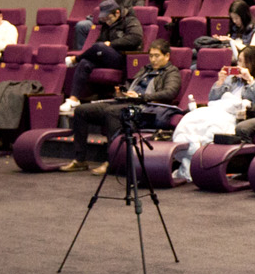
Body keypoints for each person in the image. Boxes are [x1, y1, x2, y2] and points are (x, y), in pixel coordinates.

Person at [61, 39, 183, 174]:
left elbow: (169, 93)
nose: (153, 60)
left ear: (167, 56)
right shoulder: (145, 69)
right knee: (81, 110)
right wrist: (122, 91)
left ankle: (112, 161)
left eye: (157, 56)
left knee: (112, 113)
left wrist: (140, 97)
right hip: (127, 103)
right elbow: (131, 85)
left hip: (146, 109)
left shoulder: (172, 72)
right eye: (151, 56)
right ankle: (80, 159)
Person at [169, 47, 255, 181]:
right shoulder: (232, 77)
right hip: (218, 107)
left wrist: (250, 80)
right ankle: (187, 149)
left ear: (251, 62)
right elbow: (213, 99)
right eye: (237, 62)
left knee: (212, 126)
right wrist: (220, 82)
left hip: (238, 112)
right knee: (191, 120)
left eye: (241, 62)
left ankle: (201, 160)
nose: (238, 66)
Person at [63, 0, 143, 104]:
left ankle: (76, 59)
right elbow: (99, 44)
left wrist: (111, 44)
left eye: (108, 17)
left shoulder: (130, 20)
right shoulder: (106, 25)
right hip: (106, 56)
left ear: (117, 13)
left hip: (123, 59)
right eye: (104, 18)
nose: (106, 20)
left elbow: (135, 38)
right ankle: (73, 99)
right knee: (85, 62)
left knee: (99, 47)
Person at [72, 0, 146, 49]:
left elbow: (137, 12)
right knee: (82, 25)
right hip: (105, 22)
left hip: (122, 24)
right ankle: (81, 51)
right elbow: (103, 10)